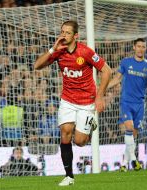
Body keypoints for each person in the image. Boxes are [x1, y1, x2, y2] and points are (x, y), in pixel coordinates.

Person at [34, 20, 111, 186]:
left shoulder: (85, 52)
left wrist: (100, 96)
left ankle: (90, 125)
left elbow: (107, 70)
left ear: (76, 36)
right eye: (62, 32)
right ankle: (69, 176)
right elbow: (37, 65)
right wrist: (53, 49)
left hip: (86, 101)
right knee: (65, 131)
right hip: (67, 100)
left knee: (80, 142)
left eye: (67, 33)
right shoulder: (59, 52)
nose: (64, 35)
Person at [108, 38, 147, 172]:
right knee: (129, 127)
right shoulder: (126, 62)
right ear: (134, 47)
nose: (140, 49)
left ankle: (124, 163)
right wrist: (103, 88)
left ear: (145, 49)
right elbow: (117, 79)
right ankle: (134, 160)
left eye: (143, 47)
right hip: (126, 102)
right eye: (138, 46)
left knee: (133, 135)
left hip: (140, 104)